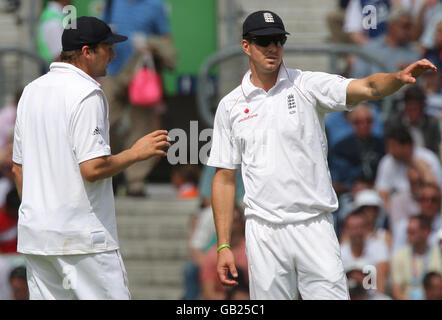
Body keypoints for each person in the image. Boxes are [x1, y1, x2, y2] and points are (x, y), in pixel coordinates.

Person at [208, 10, 437, 300]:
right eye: (263, 41)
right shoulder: (229, 106)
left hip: (314, 225)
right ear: (245, 46)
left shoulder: (307, 85)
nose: (272, 47)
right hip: (263, 232)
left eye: (278, 40)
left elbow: (366, 86)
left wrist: (397, 78)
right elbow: (225, 177)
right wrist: (224, 245)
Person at [11, 16, 170, 300]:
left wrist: (44, 214)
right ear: (87, 52)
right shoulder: (87, 93)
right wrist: (136, 153)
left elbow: (18, 170)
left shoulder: (30, 92)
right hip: (84, 241)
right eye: (107, 47)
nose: (113, 54)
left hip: (37, 237)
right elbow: (93, 168)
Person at [101, 0, 174, 197]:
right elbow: (101, 32)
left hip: (141, 73)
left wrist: (150, 45)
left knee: (142, 127)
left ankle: (136, 182)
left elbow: (167, 40)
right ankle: (107, 173)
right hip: (112, 72)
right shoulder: (111, 3)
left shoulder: (155, 6)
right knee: (103, 123)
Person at [375, 125, 442, 209]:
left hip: (425, 203)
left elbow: (436, 188)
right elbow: (382, 191)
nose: (389, 150)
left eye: (393, 146)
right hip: (397, 205)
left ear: (407, 145)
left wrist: (420, 167)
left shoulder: (428, 157)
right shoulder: (387, 161)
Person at [329, 103, 385, 194]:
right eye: (359, 122)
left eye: (368, 121)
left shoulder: (383, 145)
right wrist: (351, 188)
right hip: (349, 194)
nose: (364, 125)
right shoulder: (340, 148)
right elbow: (335, 183)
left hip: (378, 192)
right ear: (351, 123)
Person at [391, 215, 442, 299]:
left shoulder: (439, 253)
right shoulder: (399, 256)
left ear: (426, 232)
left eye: (412, 232)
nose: (408, 235)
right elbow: (397, 290)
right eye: (407, 232)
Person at [340, 211, 390, 293]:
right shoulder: (340, 252)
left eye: (361, 227)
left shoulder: (379, 247)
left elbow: (381, 283)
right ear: (346, 230)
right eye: (354, 228)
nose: (358, 232)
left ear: (366, 228)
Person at [385, 85, 441, 155]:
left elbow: (435, 152)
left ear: (422, 108)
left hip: (425, 162)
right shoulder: (393, 123)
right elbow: (390, 150)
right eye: (409, 109)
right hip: (400, 160)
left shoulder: (432, 124)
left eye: (415, 109)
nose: (412, 114)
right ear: (405, 106)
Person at [392, 182, 442, 252]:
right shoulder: (405, 226)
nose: (428, 204)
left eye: (433, 200)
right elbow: (397, 255)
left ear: (439, 202)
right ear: (418, 201)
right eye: (424, 199)